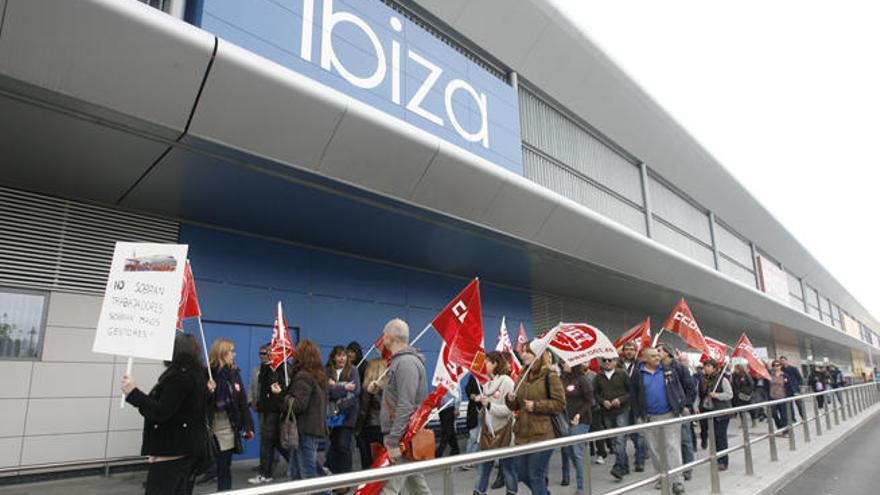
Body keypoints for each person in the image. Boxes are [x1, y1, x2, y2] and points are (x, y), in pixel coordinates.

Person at [121, 333, 208, 495]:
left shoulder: (179, 377)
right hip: (186, 450)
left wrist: (134, 393)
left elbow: (162, 412)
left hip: (172, 452)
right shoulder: (196, 374)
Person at [365, 318, 432, 495]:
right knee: (417, 487)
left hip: (402, 437)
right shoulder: (401, 362)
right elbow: (400, 396)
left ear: (391, 337)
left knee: (387, 489)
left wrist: (394, 441)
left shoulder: (405, 363)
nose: (382, 337)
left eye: (384, 334)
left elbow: (405, 404)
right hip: (404, 435)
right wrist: (380, 387)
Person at [506, 341, 566, 495]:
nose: (524, 354)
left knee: (535, 475)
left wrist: (537, 406)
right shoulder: (522, 374)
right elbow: (516, 406)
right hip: (522, 434)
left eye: (528, 352)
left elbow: (560, 404)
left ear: (538, 355)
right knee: (521, 473)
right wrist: (510, 400)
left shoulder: (550, 376)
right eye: (523, 351)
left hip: (543, 434)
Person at [630, 347, 688, 494]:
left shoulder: (668, 371)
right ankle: (662, 478)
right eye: (653, 356)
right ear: (644, 359)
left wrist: (682, 406)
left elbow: (678, 389)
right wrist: (638, 416)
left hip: (669, 415)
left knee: (672, 447)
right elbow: (634, 396)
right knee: (655, 450)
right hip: (649, 417)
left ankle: (677, 481)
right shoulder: (637, 374)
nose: (657, 358)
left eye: (658, 355)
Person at [207, 339, 255, 491]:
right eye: (231, 351)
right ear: (221, 353)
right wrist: (209, 392)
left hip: (228, 426)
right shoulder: (207, 373)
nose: (234, 354)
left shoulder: (234, 373)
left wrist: (249, 426)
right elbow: (199, 402)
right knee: (204, 465)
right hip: (210, 426)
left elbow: (241, 401)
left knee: (224, 467)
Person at [285, 339, 329, 492]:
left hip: (304, 430)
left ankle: (325, 492)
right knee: (297, 472)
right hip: (315, 428)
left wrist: (284, 397)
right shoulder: (319, 376)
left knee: (307, 474)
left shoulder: (303, 376)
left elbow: (298, 405)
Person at [473, 351, 517, 495]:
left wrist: (489, 405)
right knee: (484, 468)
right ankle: (479, 491)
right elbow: (486, 412)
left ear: (495, 364)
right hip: (488, 434)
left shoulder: (507, 382)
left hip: (504, 432)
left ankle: (512, 492)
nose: (484, 364)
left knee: (508, 469)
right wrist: (481, 402)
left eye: (487, 362)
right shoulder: (487, 385)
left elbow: (508, 410)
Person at [249, 350, 291, 484]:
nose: (268, 355)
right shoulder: (264, 368)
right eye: (265, 352)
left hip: (275, 411)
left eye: (270, 352)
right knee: (275, 442)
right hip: (266, 410)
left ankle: (265, 473)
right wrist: (256, 402)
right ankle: (267, 471)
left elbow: (285, 390)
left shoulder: (283, 368)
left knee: (268, 442)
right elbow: (258, 387)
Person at [658, 344, 696, 481]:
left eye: (659, 351)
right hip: (665, 410)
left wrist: (687, 406)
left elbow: (691, 388)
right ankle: (670, 471)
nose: (656, 353)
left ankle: (687, 469)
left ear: (668, 353)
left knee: (685, 440)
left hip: (681, 410)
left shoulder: (681, 368)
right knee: (668, 443)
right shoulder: (658, 369)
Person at [326, 345, 361, 478]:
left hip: (347, 414)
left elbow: (356, 391)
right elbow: (327, 392)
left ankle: (345, 478)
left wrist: (335, 386)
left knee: (343, 445)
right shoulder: (328, 371)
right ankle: (334, 476)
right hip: (331, 415)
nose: (341, 358)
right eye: (339, 355)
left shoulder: (353, 370)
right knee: (334, 445)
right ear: (333, 357)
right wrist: (344, 387)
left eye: (344, 355)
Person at [594, 356, 631, 481]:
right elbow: (595, 394)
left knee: (620, 439)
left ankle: (619, 467)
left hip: (622, 411)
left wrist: (620, 400)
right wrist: (603, 401)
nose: (607, 362)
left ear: (615, 361)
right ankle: (624, 465)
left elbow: (631, 392)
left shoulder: (623, 374)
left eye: (610, 360)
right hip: (607, 412)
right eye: (604, 360)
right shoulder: (598, 377)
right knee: (614, 441)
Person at [559, 363, 592, 495]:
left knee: (577, 453)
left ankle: (581, 487)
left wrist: (579, 414)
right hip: (566, 420)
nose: (563, 364)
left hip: (581, 420)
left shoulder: (583, 379)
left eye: (565, 362)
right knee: (570, 452)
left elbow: (590, 401)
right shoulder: (563, 378)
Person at [696, 359, 733, 471]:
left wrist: (716, 395)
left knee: (720, 436)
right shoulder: (702, 380)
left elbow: (729, 395)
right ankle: (717, 457)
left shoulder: (723, 379)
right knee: (714, 437)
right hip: (707, 411)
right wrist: (697, 406)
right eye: (705, 366)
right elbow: (698, 395)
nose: (706, 368)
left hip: (721, 412)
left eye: (708, 366)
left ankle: (723, 461)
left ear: (715, 368)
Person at [618, 342, 646, 471]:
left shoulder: (641, 365)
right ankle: (623, 464)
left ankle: (640, 460)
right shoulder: (618, 365)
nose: (629, 352)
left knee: (640, 434)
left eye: (631, 349)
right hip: (623, 406)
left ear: (636, 351)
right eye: (626, 349)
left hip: (638, 405)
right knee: (624, 435)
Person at [356, 358, 386, 468]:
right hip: (385, 427)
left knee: (368, 463)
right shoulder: (389, 388)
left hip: (369, 427)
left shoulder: (368, 388)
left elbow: (363, 411)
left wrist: (357, 429)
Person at [463, 374, 482, 470]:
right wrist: (470, 394)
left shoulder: (491, 376)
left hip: (487, 410)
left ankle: (495, 460)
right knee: (474, 436)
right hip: (474, 411)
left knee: (485, 437)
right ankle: (468, 460)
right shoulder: (473, 376)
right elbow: (467, 388)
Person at [435, 389, 461, 457]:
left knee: (446, 430)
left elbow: (458, 393)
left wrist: (457, 407)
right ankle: (456, 449)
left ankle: (439, 451)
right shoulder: (439, 379)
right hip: (441, 407)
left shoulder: (453, 379)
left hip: (450, 406)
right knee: (449, 429)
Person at [778, 356, 805, 422]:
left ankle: (803, 417)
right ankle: (793, 419)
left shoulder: (793, 368)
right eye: (781, 361)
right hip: (787, 390)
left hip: (795, 389)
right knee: (789, 406)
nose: (782, 362)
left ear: (787, 361)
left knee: (799, 404)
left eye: (784, 360)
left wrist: (801, 387)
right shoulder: (781, 370)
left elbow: (800, 378)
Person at [768, 360, 791, 435]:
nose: (776, 367)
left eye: (777, 365)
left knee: (783, 415)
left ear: (781, 366)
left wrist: (789, 396)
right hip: (772, 397)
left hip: (782, 397)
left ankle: (785, 431)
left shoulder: (785, 375)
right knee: (773, 413)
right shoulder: (770, 375)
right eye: (774, 365)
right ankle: (780, 427)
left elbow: (788, 386)